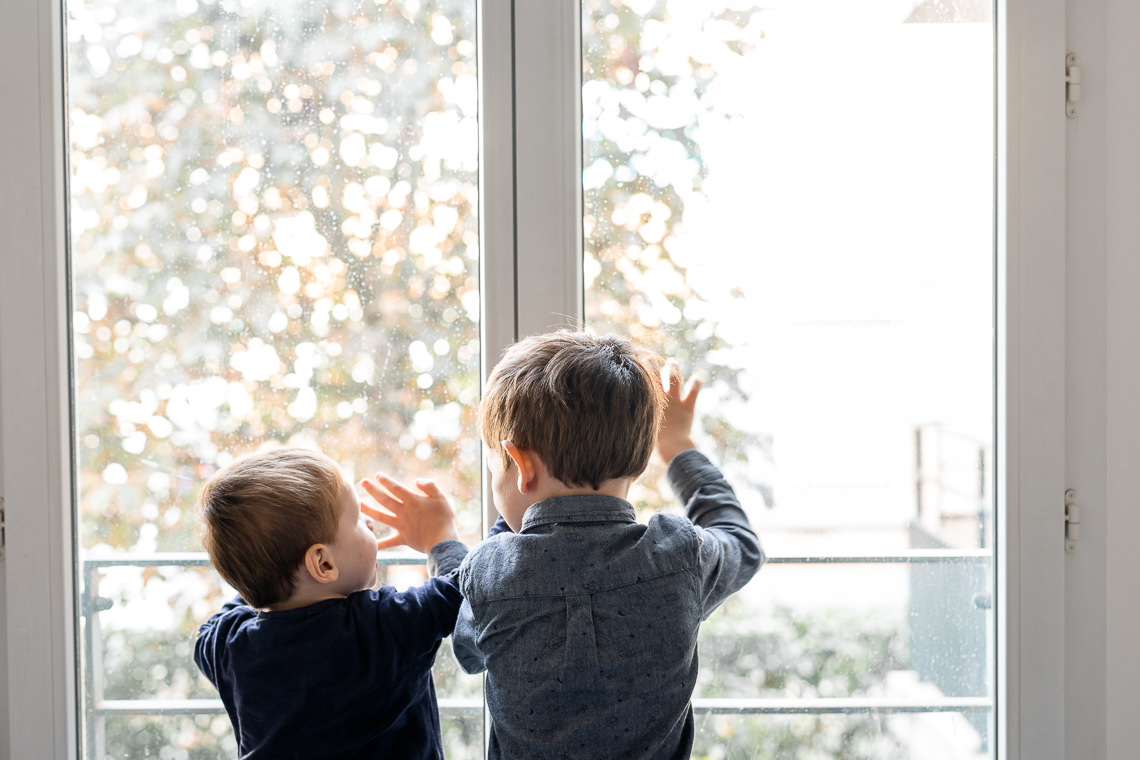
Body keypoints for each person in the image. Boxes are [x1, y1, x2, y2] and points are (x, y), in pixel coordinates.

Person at [452, 330, 765, 760]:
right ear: (637, 460)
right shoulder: (678, 556)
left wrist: (445, 547)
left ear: (521, 466)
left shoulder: (489, 574)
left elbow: (469, 651)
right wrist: (678, 446)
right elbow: (741, 544)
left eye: (495, 468)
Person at [193, 446, 466, 760]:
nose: (371, 525)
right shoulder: (381, 629)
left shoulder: (231, 645)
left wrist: (262, 572)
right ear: (323, 564)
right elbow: (463, 589)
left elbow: (207, 634)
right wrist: (440, 535)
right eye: (358, 520)